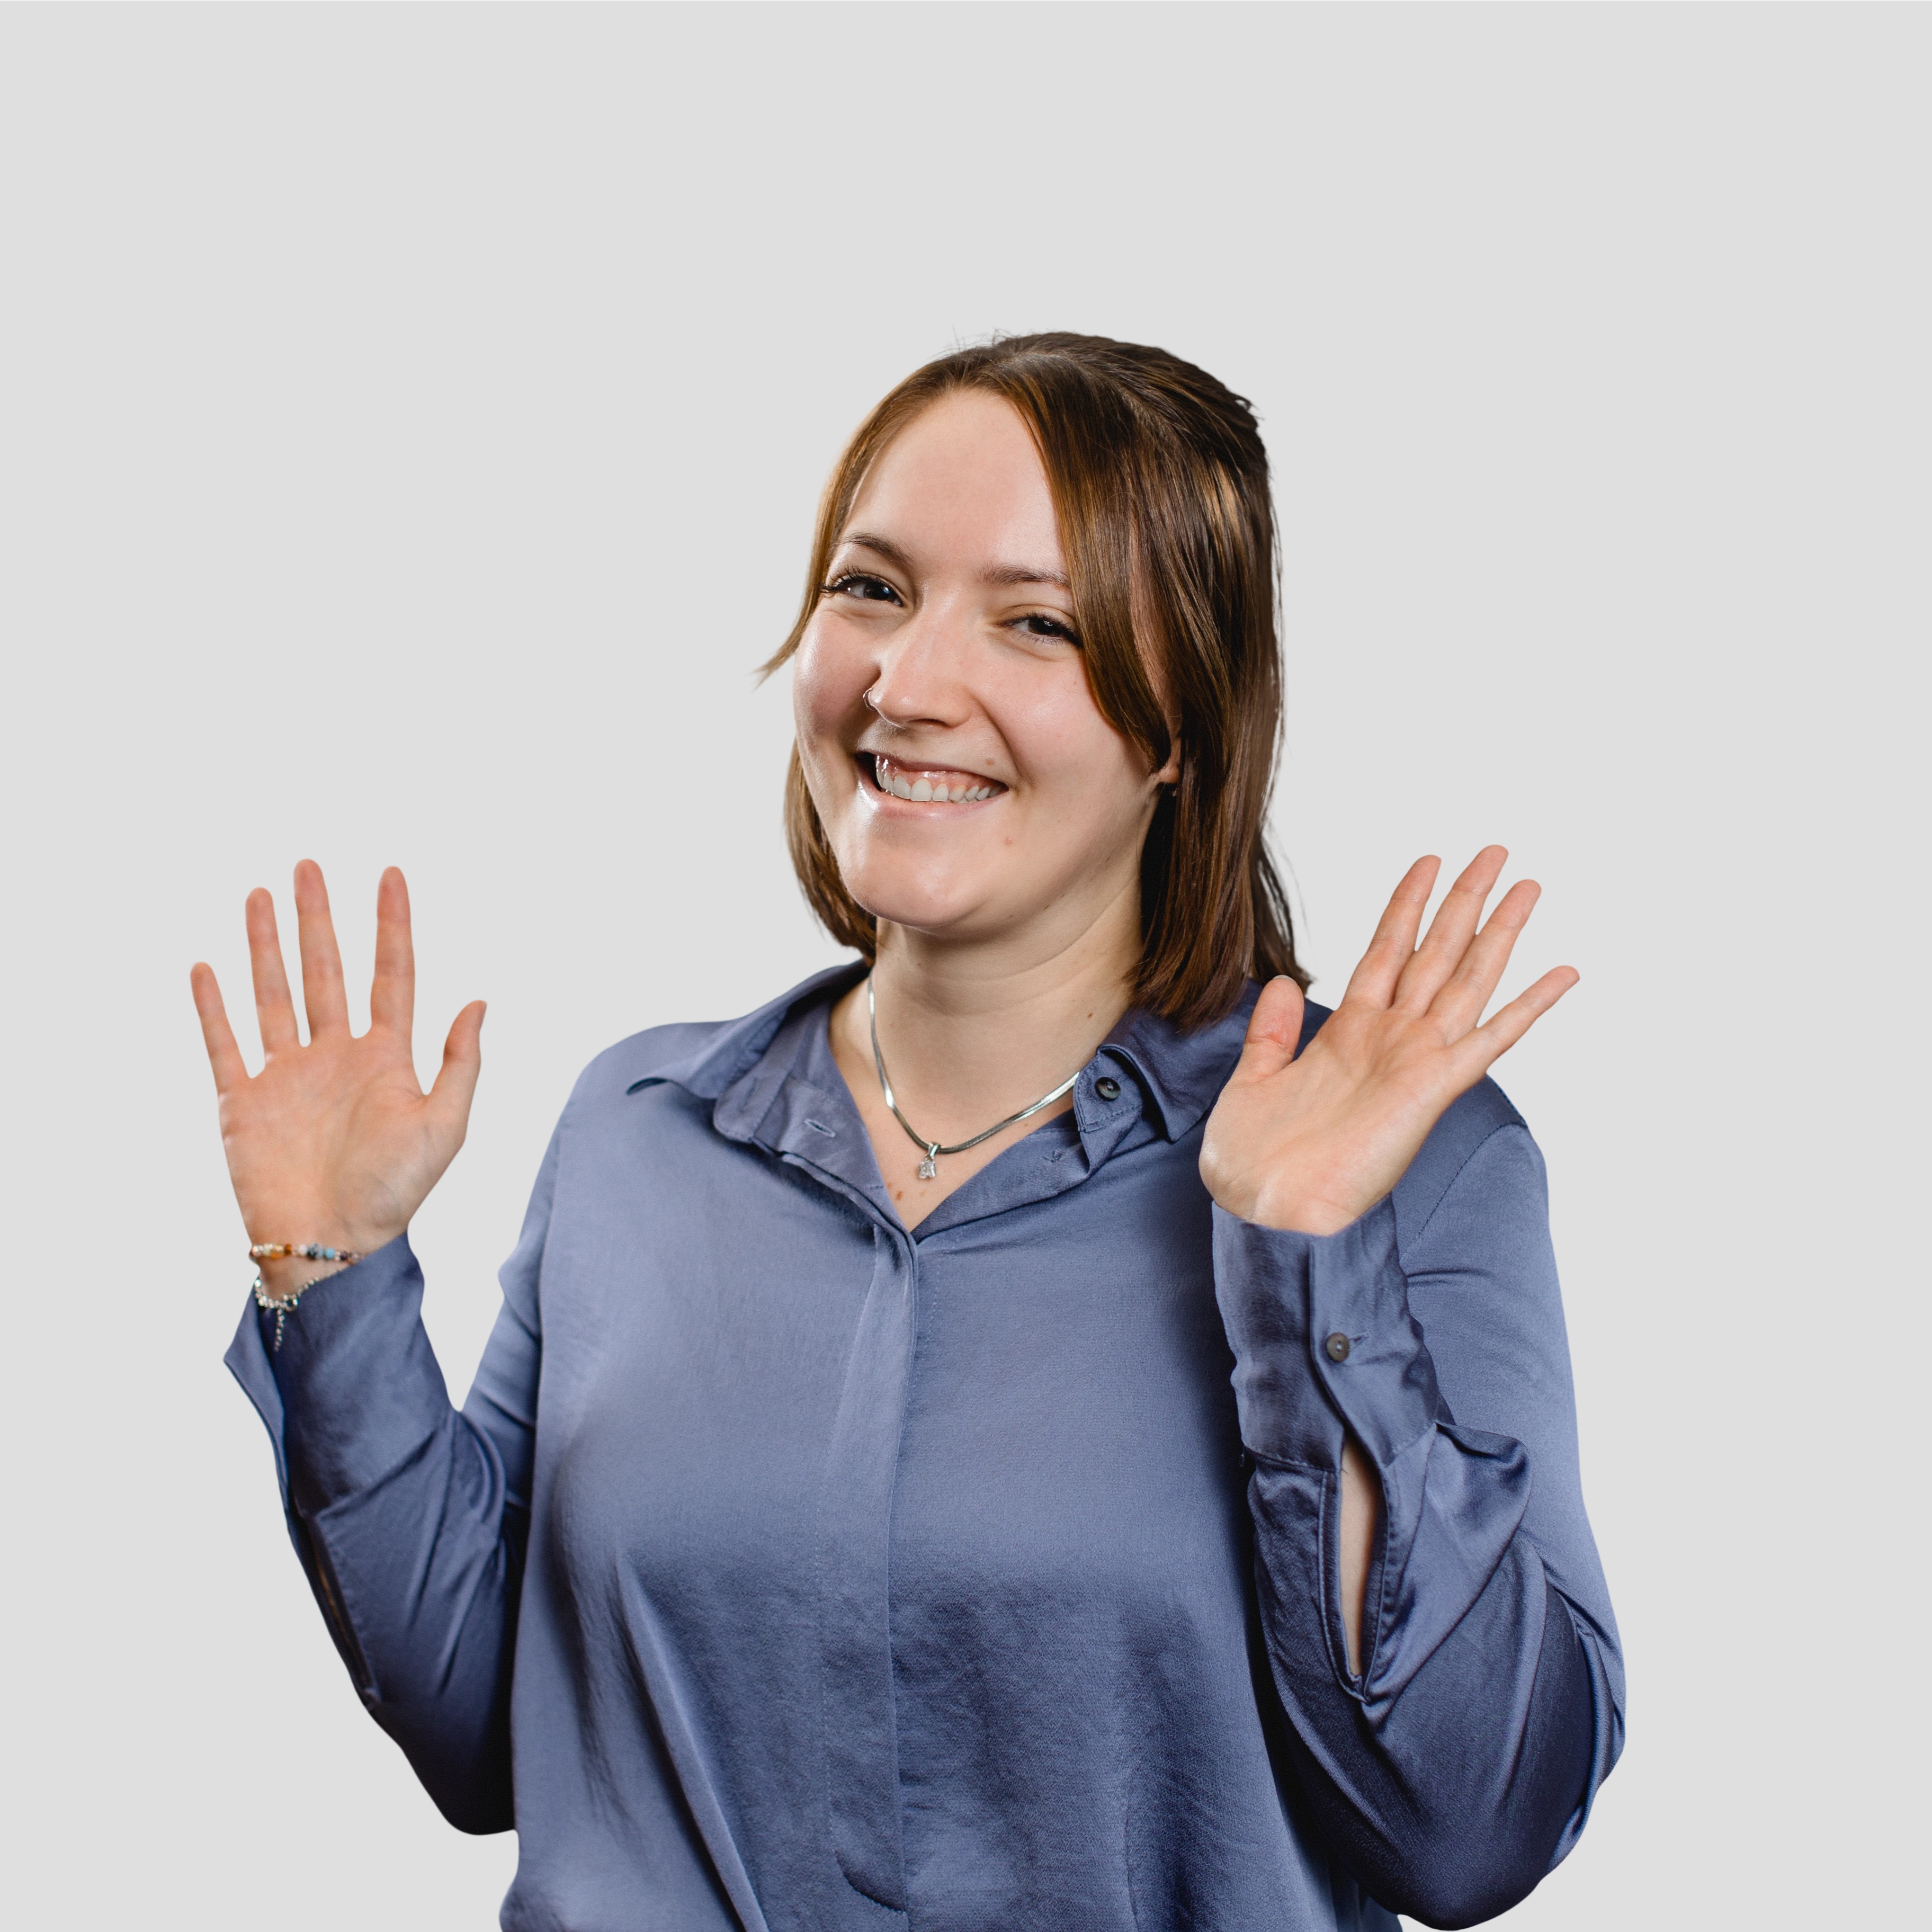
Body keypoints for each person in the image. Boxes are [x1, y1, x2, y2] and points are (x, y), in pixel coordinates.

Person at [193, 333, 1622, 1931]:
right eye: (872, 590)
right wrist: (330, 1273)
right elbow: (492, 1733)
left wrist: (1311, 1262)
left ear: (1179, 727)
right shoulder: (637, 1134)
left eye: (1036, 622)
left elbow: (1473, 1832)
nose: (909, 687)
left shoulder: (1415, 1161)